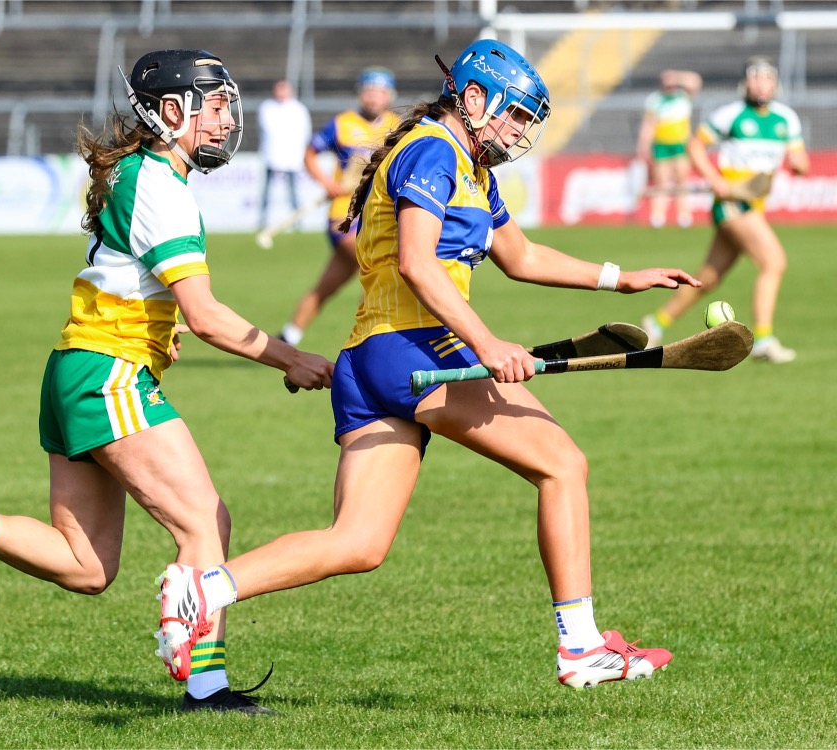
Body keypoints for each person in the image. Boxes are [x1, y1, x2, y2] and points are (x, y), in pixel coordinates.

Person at [156, 40, 700, 694]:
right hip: (414, 348)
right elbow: (416, 262)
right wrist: (487, 342)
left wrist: (622, 278)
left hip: (370, 361)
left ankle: (203, 588)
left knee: (358, 542)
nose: (522, 131)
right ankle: (580, 646)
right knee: (564, 464)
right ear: (474, 99)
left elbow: (521, 255)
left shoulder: (469, 165)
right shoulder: (434, 151)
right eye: (517, 115)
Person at [0, 49, 332, 715]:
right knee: (205, 522)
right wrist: (290, 358)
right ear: (170, 112)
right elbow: (207, 316)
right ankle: (205, 688)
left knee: (87, 567)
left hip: (74, 369)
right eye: (214, 105)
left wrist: (159, 322)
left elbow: (133, 279)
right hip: (106, 373)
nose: (227, 118)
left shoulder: (141, 174)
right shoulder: (161, 187)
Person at [641, 56, 809, 363]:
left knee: (708, 278)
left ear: (775, 83)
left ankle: (656, 323)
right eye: (754, 77)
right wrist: (715, 179)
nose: (760, 83)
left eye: (766, 77)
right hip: (732, 204)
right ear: (745, 82)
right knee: (774, 262)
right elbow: (695, 146)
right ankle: (764, 340)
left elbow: (801, 160)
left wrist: (799, 164)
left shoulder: (786, 119)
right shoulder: (730, 115)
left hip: (755, 206)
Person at [277, 66, 401, 347]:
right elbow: (310, 153)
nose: (373, 97)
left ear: (389, 96)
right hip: (344, 217)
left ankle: (287, 337)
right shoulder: (342, 123)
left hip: (377, 216)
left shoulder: (398, 125)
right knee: (378, 266)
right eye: (369, 90)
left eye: (380, 91)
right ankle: (374, 336)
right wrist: (326, 183)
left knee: (326, 288)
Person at [636, 69, 702, 228]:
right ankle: (658, 216)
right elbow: (649, 125)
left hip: (680, 144)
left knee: (682, 181)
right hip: (661, 145)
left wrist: (677, 76)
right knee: (661, 183)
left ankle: (684, 216)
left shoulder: (683, 96)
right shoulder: (655, 100)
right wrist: (643, 146)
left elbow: (695, 81)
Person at [257, 79, 312, 232]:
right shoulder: (267, 108)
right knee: (266, 192)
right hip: (271, 155)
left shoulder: (299, 109)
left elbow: (304, 133)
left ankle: (297, 222)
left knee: (293, 193)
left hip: (292, 156)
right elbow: (266, 130)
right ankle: (262, 221)